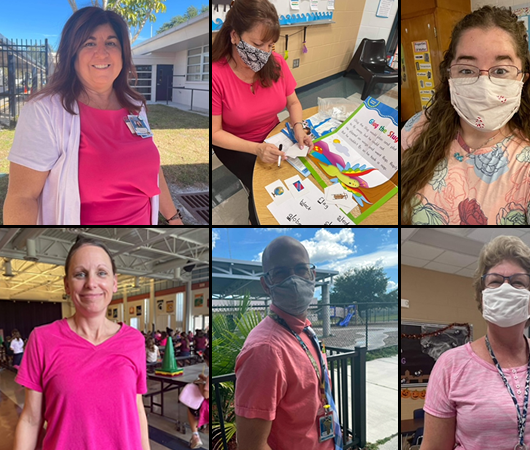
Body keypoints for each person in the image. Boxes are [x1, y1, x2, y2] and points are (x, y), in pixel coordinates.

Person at [400, 6, 530, 225]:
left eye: (500, 71)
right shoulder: (419, 127)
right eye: (467, 70)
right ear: (450, 74)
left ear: (522, 79)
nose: (484, 86)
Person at [3, 6, 184, 225]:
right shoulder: (44, 110)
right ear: (72, 54)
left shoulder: (135, 106)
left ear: (122, 53)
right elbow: (22, 197)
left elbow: (153, 170)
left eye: (111, 42)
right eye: (89, 43)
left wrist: (173, 218)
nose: (102, 52)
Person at [420, 235, 530, 450]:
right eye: (495, 281)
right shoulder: (451, 365)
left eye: (517, 283)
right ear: (483, 297)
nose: (506, 289)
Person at [13, 236, 151, 450]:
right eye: (80, 274)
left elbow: (137, 409)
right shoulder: (42, 339)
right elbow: (31, 419)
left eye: (101, 273)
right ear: (67, 285)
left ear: (114, 283)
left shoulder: (134, 341)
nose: (91, 283)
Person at [212, 0, 314, 225]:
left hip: (273, 133)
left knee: (300, 172)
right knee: (265, 188)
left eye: (270, 45)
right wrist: (256, 149)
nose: (264, 53)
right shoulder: (216, 74)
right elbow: (215, 133)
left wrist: (298, 127)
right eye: (258, 44)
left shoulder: (276, 63)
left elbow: (294, 103)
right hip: (235, 143)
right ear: (234, 36)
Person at [235, 236, 342, 450]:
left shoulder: (305, 331)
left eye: (301, 269)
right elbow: (251, 446)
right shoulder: (265, 350)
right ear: (266, 284)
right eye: (281, 273)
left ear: (312, 275)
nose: (293, 280)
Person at [186, 347, 210, 449]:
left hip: (209, 406)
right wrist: (204, 378)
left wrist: (201, 384)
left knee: (190, 406)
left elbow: (206, 395)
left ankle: (195, 436)